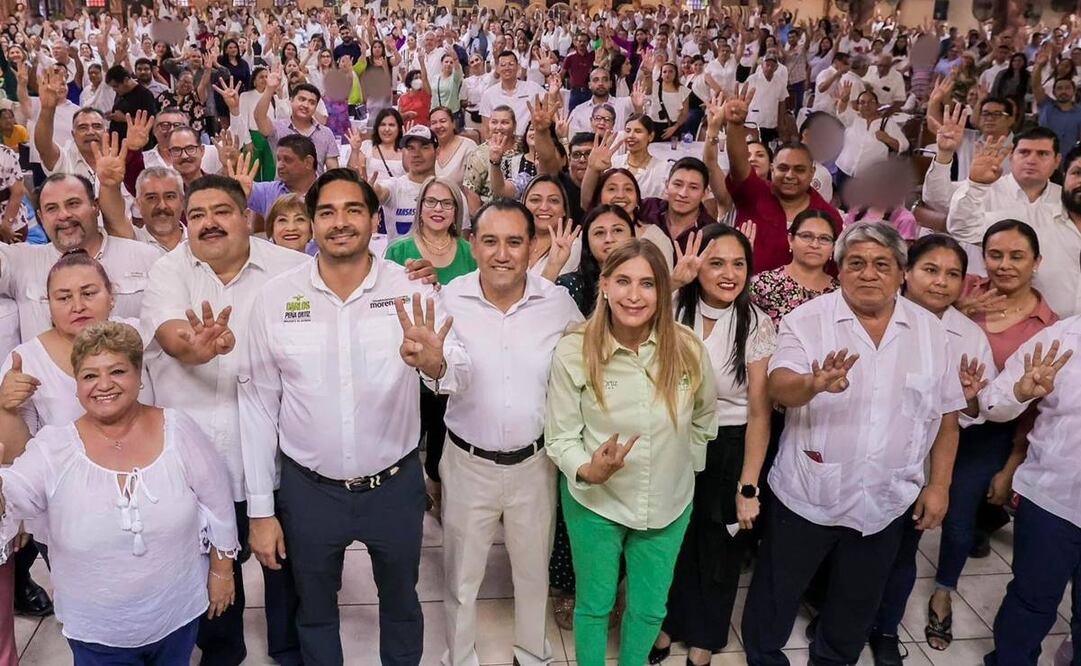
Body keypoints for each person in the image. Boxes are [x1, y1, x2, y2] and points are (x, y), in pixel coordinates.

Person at [238, 168, 467, 665]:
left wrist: (436, 364)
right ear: (313, 223)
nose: (340, 222)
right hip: (309, 491)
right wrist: (260, 509)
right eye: (327, 211)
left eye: (353, 210)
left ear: (373, 219)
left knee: (403, 604)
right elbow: (257, 407)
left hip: (395, 486)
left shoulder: (411, 287)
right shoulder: (276, 299)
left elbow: (459, 370)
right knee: (315, 610)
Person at [742, 222, 965, 665]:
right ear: (839, 270)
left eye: (882, 264)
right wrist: (813, 383)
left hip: (886, 500)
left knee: (856, 601)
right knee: (778, 591)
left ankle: (833, 658)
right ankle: (764, 656)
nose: (868, 274)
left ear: (902, 273)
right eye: (856, 264)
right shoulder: (808, 320)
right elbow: (779, 387)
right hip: (808, 493)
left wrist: (938, 486)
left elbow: (946, 417)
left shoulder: (931, 332)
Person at [140, 174, 310, 666]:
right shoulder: (167, 272)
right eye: (196, 215)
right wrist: (194, 347)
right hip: (196, 462)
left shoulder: (292, 269)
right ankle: (222, 652)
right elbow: (174, 336)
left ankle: (288, 649)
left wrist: (415, 274)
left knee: (284, 567)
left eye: (220, 211)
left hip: (276, 454)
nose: (208, 223)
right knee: (211, 574)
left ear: (246, 218)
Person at [0, 320, 239, 664]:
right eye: (90, 376)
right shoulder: (54, 447)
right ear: (77, 384)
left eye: (117, 371)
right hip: (98, 629)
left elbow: (217, 505)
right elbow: (15, 492)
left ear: (139, 375)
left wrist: (222, 573)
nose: (104, 385)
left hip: (176, 614)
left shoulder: (179, 429)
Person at [544, 239, 717, 665]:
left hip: (669, 504)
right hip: (595, 504)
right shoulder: (575, 349)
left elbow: (704, 418)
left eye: (647, 284)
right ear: (603, 285)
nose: (634, 295)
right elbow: (560, 437)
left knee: (649, 608)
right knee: (595, 604)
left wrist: (684, 469)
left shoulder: (689, 347)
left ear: (663, 290)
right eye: (622, 281)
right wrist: (588, 469)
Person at [437, 198, 582, 666]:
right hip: (466, 462)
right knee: (461, 575)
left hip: (535, 464)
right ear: (472, 245)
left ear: (531, 247)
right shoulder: (449, 298)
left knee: (532, 572)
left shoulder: (557, 302)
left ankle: (532, 654)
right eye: (491, 241)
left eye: (515, 242)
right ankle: (459, 657)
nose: (502, 254)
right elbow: (443, 370)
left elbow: (587, 360)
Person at [923, 220, 1059, 654]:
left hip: (987, 434)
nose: (1004, 265)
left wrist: (1013, 462)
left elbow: (1036, 405)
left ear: (1036, 262)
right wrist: (957, 313)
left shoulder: (1048, 325)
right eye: (995, 254)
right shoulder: (962, 288)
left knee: (959, 519)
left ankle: (943, 591)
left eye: (1017, 256)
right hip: (922, 415)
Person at [867, 234, 995, 663]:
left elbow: (973, 412)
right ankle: (844, 616)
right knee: (852, 548)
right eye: (930, 270)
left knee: (901, 552)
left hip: (917, 466)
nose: (941, 282)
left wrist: (970, 396)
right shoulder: (873, 313)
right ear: (906, 272)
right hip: (862, 456)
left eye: (953, 274)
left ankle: (885, 628)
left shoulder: (967, 335)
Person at [652, 224, 775, 665]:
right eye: (716, 262)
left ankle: (705, 635)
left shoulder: (756, 322)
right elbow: (615, 320)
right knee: (672, 537)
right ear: (696, 263)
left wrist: (748, 486)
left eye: (739, 264)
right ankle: (668, 622)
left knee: (719, 544)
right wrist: (674, 280)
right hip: (672, 438)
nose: (728, 273)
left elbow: (761, 411)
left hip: (729, 444)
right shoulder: (670, 304)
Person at [980, 294, 1080, 665]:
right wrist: (1021, 392)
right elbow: (992, 403)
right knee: (1032, 601)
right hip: (1052, 501)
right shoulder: (1060, 339)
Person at [0, 173, 161, 342]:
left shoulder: (147, 258)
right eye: (52, 208)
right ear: (41, 217)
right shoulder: (21, 261)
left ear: (95, 206)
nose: (63, 215)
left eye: (73, 204)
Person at [941, 129, 1081, 317]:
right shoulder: (1036, 218)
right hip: (1037, 329)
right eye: (1077, 173)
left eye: (1042, 154)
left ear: (1055, 161)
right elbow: (963, 227)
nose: (1032, 160)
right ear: (1065, 176)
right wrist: (976, 185)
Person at [724, 87, 842, 274]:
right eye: (783, 168)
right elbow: (738, 165)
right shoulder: (755, 192)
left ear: (812, 173)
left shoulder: (827, 216)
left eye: (799, 170)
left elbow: (831, 271)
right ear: (772, 169)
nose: (790, 176)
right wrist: (735, 126)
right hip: (742, 295)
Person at [750, 209, 839, 327]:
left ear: (833, 247)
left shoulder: (840, 293)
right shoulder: (762, 285)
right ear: (790, 240)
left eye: (824, 239)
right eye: (807, 236)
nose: (815, 245)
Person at [254, 69, 339, 172]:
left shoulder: (326, 133)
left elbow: (333, 170)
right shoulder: (278, 128)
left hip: (315, 187)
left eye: (312, 102)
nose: (306, 105)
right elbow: (259, 117)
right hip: (284, 187)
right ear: (291, 101)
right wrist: (269, 89)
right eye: (302, 99)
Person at [370, 125, 440, 242]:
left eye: (424, 147)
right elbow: (380, 193)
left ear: (437, 151)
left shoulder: (450, 191)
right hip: (398, 260)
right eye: (410, 148)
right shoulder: (394, 187)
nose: (416, 154)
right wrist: (369, 191)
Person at [834, 85, 908, 185]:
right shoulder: (854, 119)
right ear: (858, 106)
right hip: (845, 170)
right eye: (862, 102)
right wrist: (844, 99)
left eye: (871, 102)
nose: (866, 105)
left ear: (878, 105)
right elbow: (841, 112)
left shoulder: (887, 123)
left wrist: (887, 139)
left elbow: (904, 146)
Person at [479, 51, 544, 140]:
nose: (507, 68)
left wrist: (548, 75)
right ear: (497, 68)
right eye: (503, 65)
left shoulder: (532, 87)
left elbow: (554, 101)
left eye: (511, 64)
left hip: (528, 142)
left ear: (518, 67)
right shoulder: (488, 94)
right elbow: (486, 128)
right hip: (500, 144)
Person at [1032, 45, 1081, 157]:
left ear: (1074, 92)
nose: (1063, 91)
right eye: (1059, 88)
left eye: (1067, 88)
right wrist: (1039, 65)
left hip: (1067, 160)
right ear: (1053, 93)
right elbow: (1035, 86)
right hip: (1041, 157)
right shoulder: (1046, 105)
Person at [567, 67, 642, 137]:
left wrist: (646, 74)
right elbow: (573, 139)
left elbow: (644, 91)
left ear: (611, 83)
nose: (600, 83)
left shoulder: (623, 104)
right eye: (596, 80)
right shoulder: (579, 111)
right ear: (589, 85)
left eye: (605, 79)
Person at [348, 107, 405, 181]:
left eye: (391, 125)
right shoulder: (367, 147)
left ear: (399, 128)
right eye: (383, 125)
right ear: (377, 128)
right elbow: (351, 176)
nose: (386, 129)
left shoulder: (406, 150)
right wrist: (355, 151)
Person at [745, 53, 790, 145]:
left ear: (776, 67)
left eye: (772, 66)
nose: (769, 68)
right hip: (754, 120)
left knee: (769, 148)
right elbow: (744, 98)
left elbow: (782, 102)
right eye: (767, 65)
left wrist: (780, 123)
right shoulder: (752, 79)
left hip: (771, 121)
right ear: (762, 65)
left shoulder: (779, 82)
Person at [430, 106, 477, 190]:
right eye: (433, 123)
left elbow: (475, 186)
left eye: (443, 121)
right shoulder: (430, 149)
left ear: (453, 124)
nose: (438, 126)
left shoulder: (468, 146)